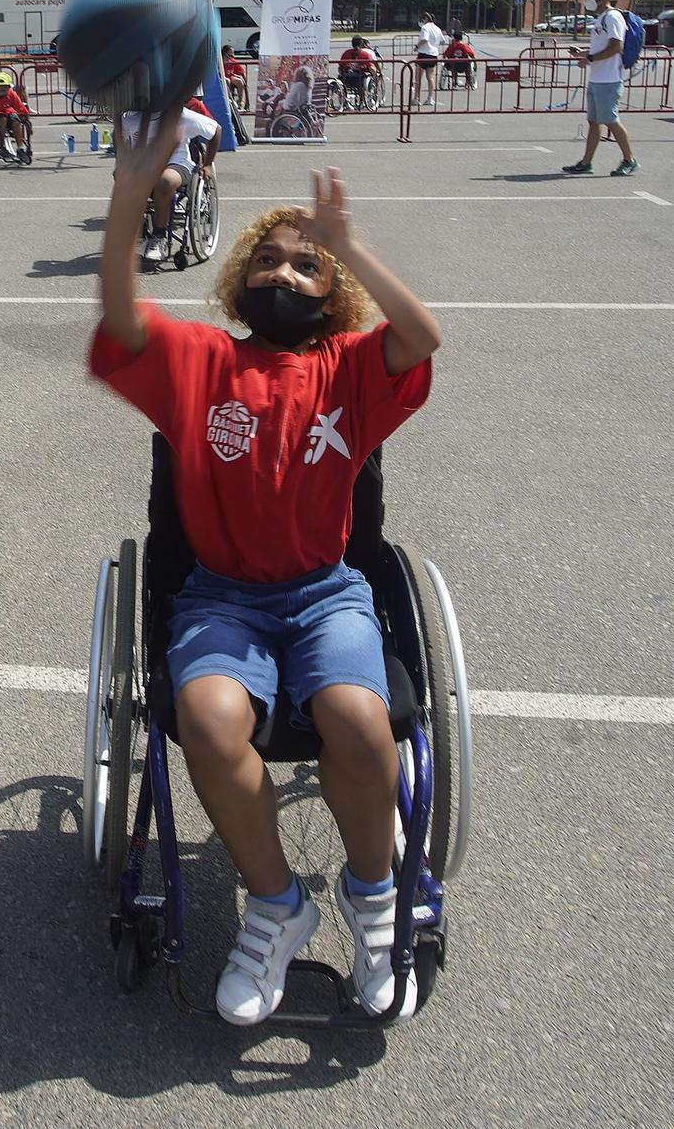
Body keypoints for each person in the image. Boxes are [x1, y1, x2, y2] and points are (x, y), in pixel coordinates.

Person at [90, 117, 441, 1026]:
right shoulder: (203, 362)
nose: (283, 273)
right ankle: (277, 904)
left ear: (334, 296)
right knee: (205, 717)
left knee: (360, 720)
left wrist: (351, 243)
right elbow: (123, 322)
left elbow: (422, 332)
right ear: (241, 278)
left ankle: (373, 898)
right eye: (269, 260)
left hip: (327, 591)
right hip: (222, 594)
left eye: (305, 266)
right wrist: (131, 202)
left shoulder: (349, 368)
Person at [118, 100, 221, 263]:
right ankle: (141, 234)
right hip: (146, 166)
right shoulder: (130, 119)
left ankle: (159, 237)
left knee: (164, 181)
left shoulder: (181, 116)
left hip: (178, 163)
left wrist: (207, 164)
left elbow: (216, 130)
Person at [562, 0, 638, 178]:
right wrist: (584, 54)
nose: (588, 0)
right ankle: (586, 162)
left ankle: (629, 159)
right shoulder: (602, 18)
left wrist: (590, 59)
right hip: (598, 78)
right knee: (594, 121)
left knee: (611, 121)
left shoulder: (613, 17)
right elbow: (601, 48)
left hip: (609, 80)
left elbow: (616, 47)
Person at [413, 12, 446, 106]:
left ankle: (416, 98)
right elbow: (443, 40)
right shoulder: (437, 28)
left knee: (418, 77)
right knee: (430, 77)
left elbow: (424, 39)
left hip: (424, 54)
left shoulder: (425, 28)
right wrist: (434, 44)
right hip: (433, 54)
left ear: (424, 19)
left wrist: (417, 47)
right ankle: (430, 98)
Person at [337, 35, 377, 105]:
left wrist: (342, 72)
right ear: (361, 44)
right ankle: (361, 101)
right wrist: (375, 76)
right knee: (365, 80)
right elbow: (371, 68)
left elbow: (340, 67)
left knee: (342, 80)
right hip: (359, 77)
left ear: (352, 44)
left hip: (346, 77)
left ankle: (345, 100)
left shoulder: (346, 53)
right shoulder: (365, 54)